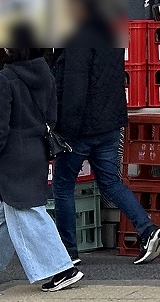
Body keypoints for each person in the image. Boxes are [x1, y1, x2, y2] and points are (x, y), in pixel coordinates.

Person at [51, 0, 160, 267]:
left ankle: (68, 252)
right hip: (109, 122)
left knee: (63, 187)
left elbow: (75, 89)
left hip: (81, 128)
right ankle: (148, 230)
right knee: (110, 182)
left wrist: (64, 131)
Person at [0, 40, 83, 292]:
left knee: (29, 214)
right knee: (6, 215)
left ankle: (63, 268)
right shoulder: (45, 73)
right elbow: (52, 117)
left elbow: (0, 128)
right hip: (35, 151)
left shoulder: (4, 79)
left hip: (11, 158)